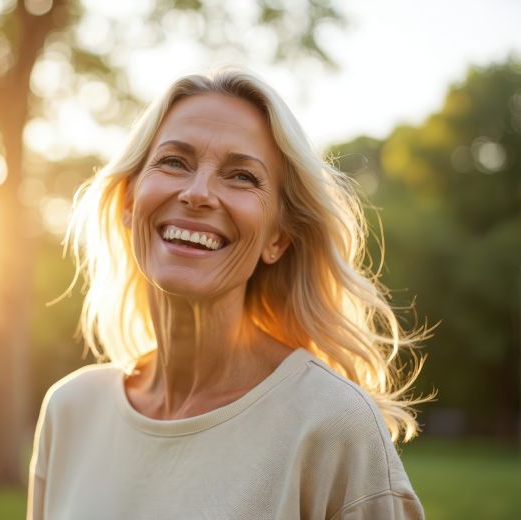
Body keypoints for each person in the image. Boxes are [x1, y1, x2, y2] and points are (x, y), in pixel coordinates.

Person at [27, 68, 430, 519]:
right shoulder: (71, 410)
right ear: (128, 201)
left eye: (241, 177)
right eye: (174, 162)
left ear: (278, 238)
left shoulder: (333, 424)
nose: (197, 194)